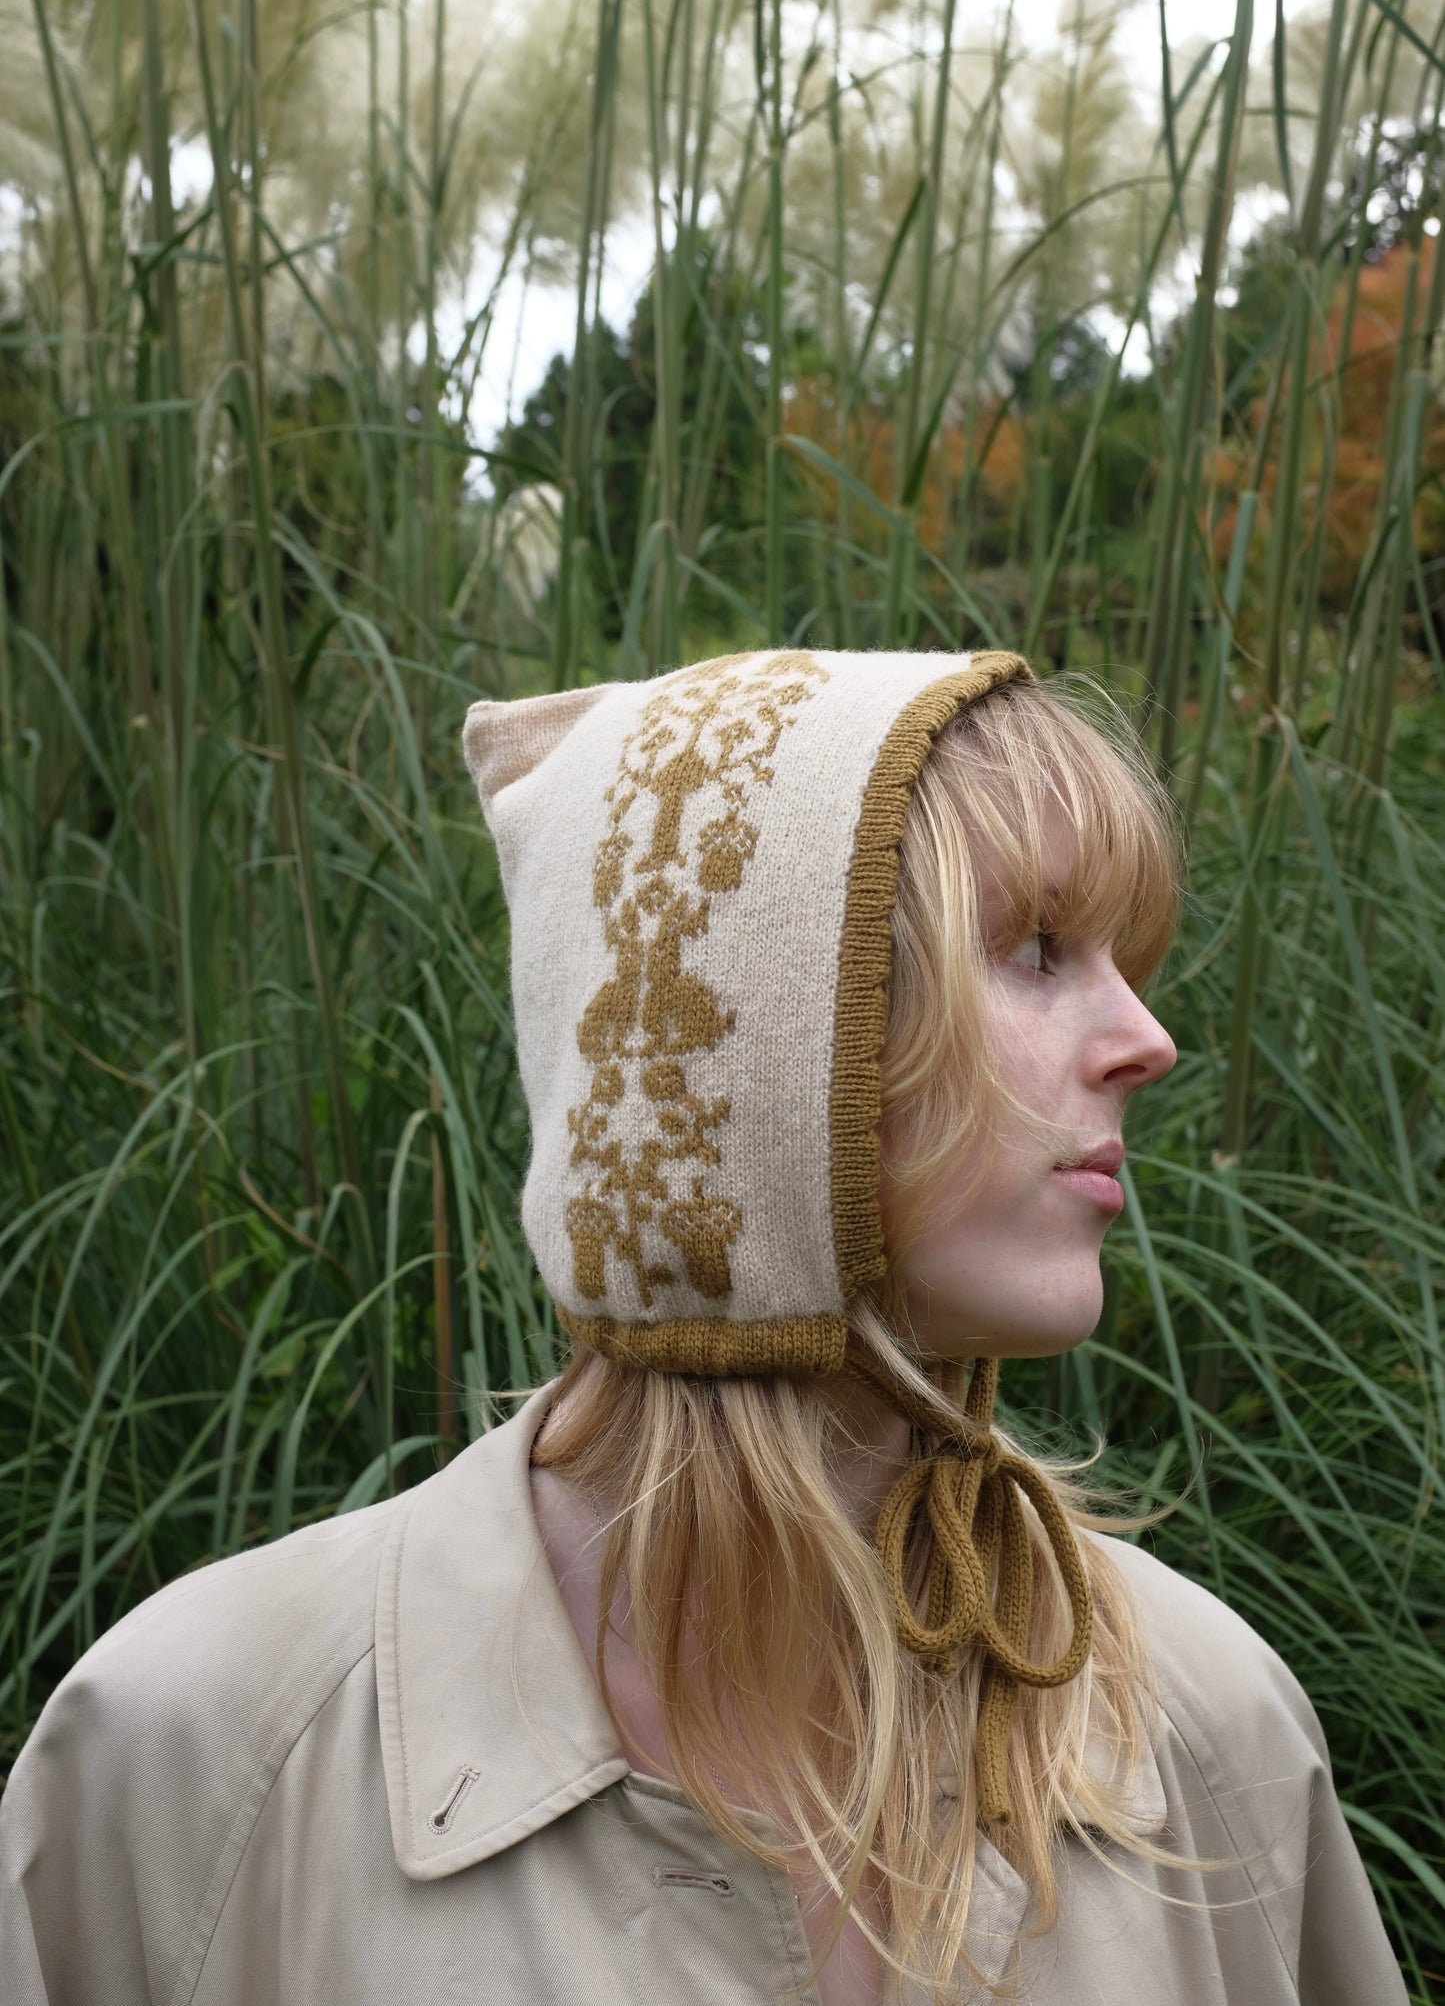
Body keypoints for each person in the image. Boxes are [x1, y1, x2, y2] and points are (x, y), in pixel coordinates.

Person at [0, 647, 1406, 2006]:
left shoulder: (1206, 1723)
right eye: (1038, 948)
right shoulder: (198, 1754)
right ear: (755, 1043)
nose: (1144, 1036)